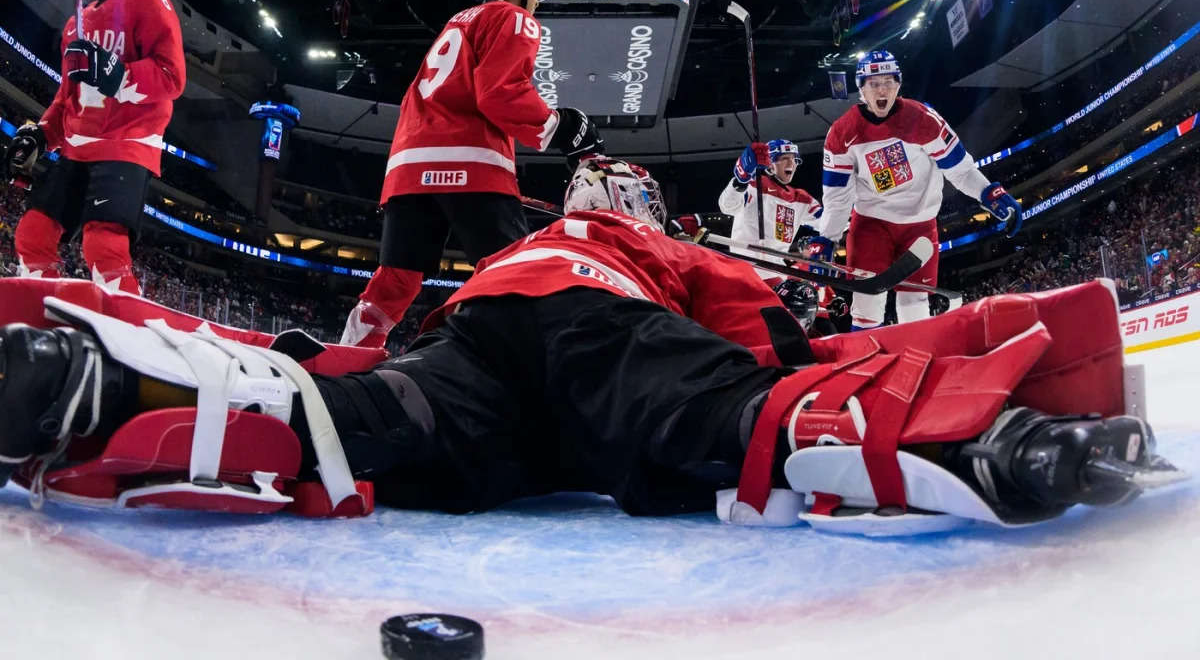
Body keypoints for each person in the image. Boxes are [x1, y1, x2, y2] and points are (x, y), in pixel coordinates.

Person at [0, 156, 1176, 535]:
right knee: (741, 417)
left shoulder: (528, 241)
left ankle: (105, 393)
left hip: (482, 352)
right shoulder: (649, 244)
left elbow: (451, 326)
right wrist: (788, 357)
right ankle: (994, 443)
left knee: (362, 423)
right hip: (599, 332)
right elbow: (754, 328)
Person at [340, 0, 603, 348]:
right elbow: (500, 93)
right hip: (472, 162)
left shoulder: (457, 22)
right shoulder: (513, 17)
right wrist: (561, 126)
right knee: (512, 271)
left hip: (409, 166)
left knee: (396, 279)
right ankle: (511, 365)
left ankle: (349, 352)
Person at [4, 0, 185, 295]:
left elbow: (172, 76)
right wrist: (41, 135)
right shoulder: (76, 23)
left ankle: (125, 319)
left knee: (103, 246)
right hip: (76, 147)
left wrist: (120, 75)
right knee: (33, 233)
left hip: (125, 143)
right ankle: (43, 308)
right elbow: (67, 97)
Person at [810, 50, 1022, 330]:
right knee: (867, 305)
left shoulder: (924, 120)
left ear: (898, 84)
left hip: (920, 226)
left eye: (888, 82)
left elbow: (960, 170)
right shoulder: (841, 133)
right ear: (861, 89)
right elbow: (838, 197)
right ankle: (866, 357)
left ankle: (915, 356)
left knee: (915, 308)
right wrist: (827, 238)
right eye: (874, 83)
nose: (882, 90)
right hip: (872, 225)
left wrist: (989, 193)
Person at [717, 138, 823, 281]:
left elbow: (829, 223)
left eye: (793, 159)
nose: (791, 163)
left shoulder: (802, 199)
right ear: (770, 164)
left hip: (777, 273)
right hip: (745, 270)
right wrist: (740, 181)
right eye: (784, 158)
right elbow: (727, 207)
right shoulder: (754, 184)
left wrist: (849, 208)